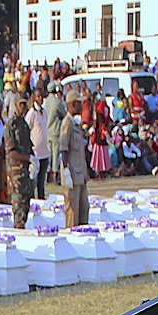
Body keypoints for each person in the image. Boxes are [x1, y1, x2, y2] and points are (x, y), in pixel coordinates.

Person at [60, 98, 91, 228]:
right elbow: (64, 149)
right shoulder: (67, 123)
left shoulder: (75, 123)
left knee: (84, 209)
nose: (81, 106)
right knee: (72, 213)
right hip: (72, 174)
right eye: (79, 103)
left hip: (80, 174)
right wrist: (66, 171)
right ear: (73, 105)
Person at [5, 93, 33, 229]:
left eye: (25, 104)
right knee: (18, 206)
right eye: (21, 104)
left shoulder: (24, 125)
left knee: (26, 204)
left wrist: (33, 160)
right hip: (16, 172)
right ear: (15, 105)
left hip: (25, 171)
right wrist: (28, 158)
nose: (23, 107)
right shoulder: (11, 125)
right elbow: (11, 152)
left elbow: (28, 146)